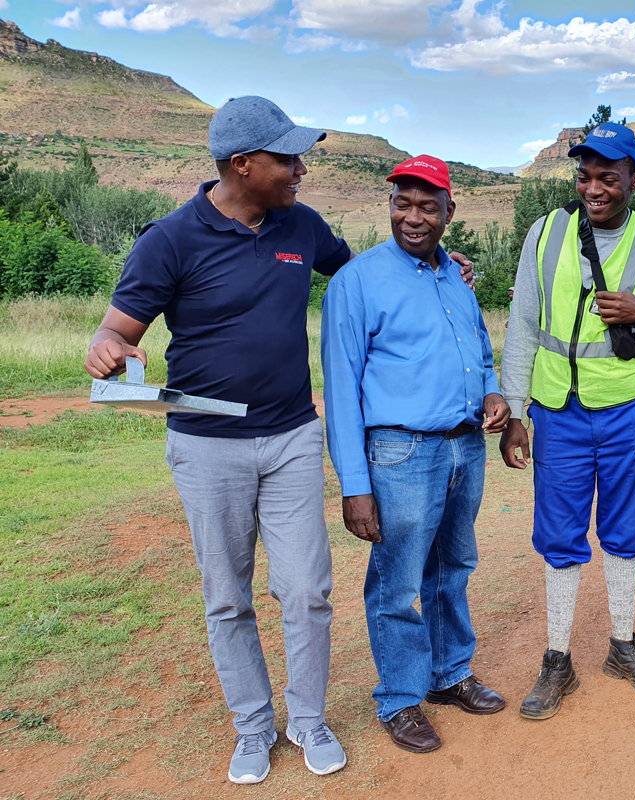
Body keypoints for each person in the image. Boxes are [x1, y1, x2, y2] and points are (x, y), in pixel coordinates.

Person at [83, 98, 474, 784]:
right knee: (228, 596)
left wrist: (443, 263)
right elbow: (118, 331)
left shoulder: (302, 225)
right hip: (208, 446)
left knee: (306, 592)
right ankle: (253, 728)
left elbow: (373, 275)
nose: (300, 170)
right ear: (243, 165)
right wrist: (108, 349)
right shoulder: (170, 240)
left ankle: (309, 720)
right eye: (287, 159)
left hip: (293, 437)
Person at [499, 123, 635, 720]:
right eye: (585, 176)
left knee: (626, 531)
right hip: (558, 414)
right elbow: (523, 325)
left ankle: (623, 645)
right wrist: (515, 411)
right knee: (559, 535)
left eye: (609, 176)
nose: (594, 187)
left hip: (627, 414)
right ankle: (557, 659)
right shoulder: (546, 232)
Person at [321, 156, 510, 754]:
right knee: (399, 581)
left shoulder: (454, 276)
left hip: (464, 448)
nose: (413, 217)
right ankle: (400, 699)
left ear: (450, 213)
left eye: (428, 207)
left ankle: (450, 674)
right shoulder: (357, 281)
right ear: (391, 206)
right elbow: (340, 387)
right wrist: (355, 484)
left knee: (454, 569)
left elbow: (479, 349)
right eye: (403, 203)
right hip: (400, 452)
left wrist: (493, 389)